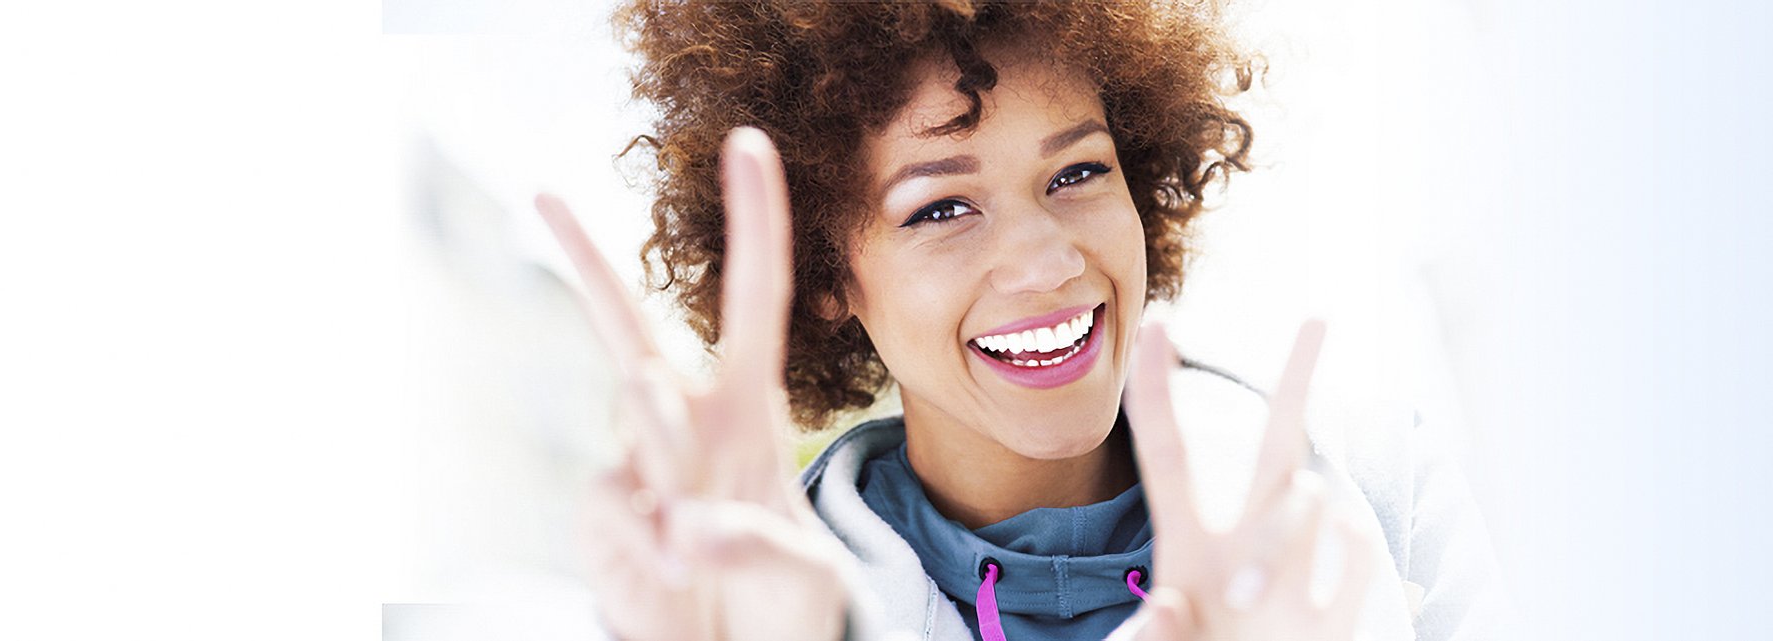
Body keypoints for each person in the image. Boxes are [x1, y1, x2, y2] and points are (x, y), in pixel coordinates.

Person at [535, 2, 1504, 639]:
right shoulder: (744, 600)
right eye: (939, 208)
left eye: (1077, 172)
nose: (1046, 261)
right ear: (823, 271)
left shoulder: (1382, 484)